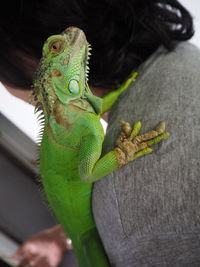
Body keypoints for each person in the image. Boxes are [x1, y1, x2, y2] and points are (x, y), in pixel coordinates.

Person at [0, 0, 198, 266]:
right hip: (86, 238)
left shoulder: (138, 226)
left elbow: (88, 172)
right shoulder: (176, 54)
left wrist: (123, 152)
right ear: (53, 73)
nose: (71, 33)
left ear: (23, 59)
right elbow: (87, 171)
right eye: (56, 47)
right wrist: (65, 236)